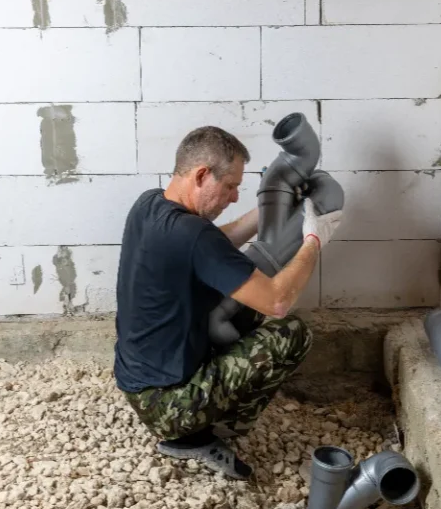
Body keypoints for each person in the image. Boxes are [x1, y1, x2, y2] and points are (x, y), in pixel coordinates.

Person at [113, 126, 343, 480]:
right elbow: (278, 301)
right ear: (202, 175)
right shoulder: (190, 233)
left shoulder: (150, 204)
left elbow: (215, 243)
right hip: (169, 406)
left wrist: (268, 209)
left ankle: (207, 405)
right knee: (291, 333)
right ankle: (207, 431)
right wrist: (314, 238)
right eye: (231, 186)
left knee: (243, 304)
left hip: (141, 383)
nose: (234, 197)